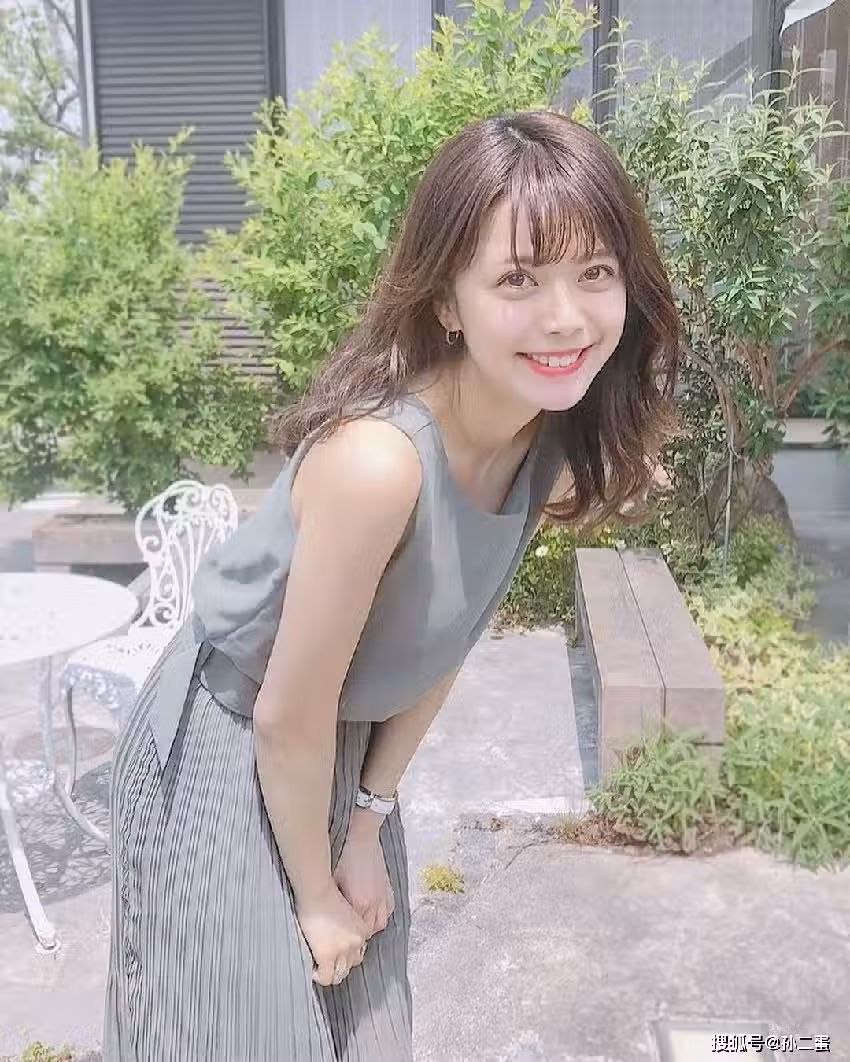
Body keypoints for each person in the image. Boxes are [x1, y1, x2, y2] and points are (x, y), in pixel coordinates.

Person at [102, 109, 678, 1062]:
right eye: (518, 279)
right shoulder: (377, 464)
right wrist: (315, 894)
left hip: (339, 743)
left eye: (595, 272)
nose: (566, 317)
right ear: (448, 299)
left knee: (365, 1027)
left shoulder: (543, 441)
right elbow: (287, 713)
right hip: (229, 742)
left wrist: (368, 820)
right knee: (247, 1033)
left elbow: (444, 644)